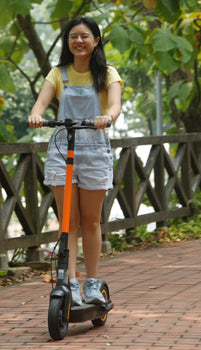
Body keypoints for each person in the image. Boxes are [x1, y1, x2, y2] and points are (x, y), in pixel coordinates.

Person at [28, 17, 122, 306]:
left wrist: (107, 117)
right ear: (67, 42)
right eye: (73, 36)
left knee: (91, 221)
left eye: (84, 36)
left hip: (94, 150)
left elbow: (116, 105)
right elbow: (41, 104)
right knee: (68, 221)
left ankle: (91, 282)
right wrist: (36, 115)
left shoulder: (107, 74)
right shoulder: (58, 74)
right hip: (62, 147)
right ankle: (69, 281)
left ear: (96, 41)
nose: (78, 41)